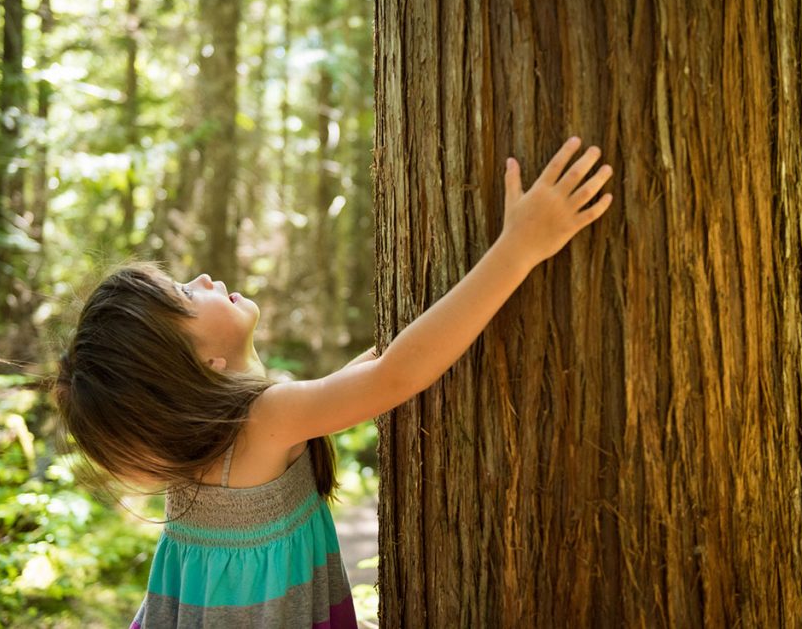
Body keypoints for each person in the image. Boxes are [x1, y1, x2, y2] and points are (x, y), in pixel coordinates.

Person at [53, 136, 614, 628]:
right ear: (199, 367)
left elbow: (375, 373)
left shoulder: (199, 448)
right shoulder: (268, 418)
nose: (201, 278)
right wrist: (519, 247)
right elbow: (399, 375)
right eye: (183, 296)